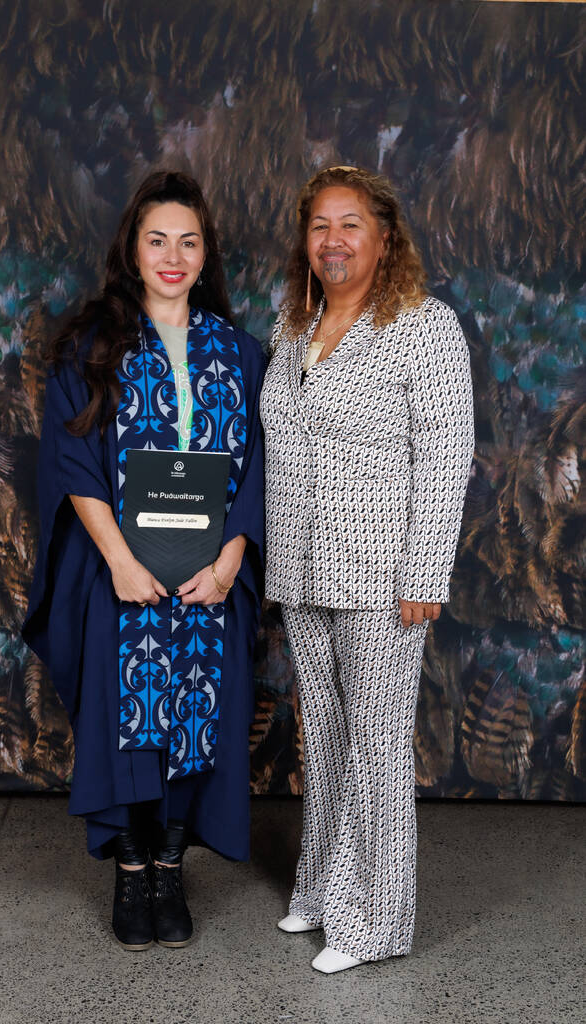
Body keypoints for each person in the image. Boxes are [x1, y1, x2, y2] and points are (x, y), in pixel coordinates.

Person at [22, 171, 265, 950]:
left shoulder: (238, 350)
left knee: (197, 713)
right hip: (120, 570)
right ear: (131, 248)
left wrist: (230, 560)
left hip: (207, 577)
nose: (172, 255)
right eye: (156, 239)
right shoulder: (92, 346)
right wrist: (120, 562)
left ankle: (169, 864)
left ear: (205, 254)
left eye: (187, 242)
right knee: (126, 718)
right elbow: (71, 464)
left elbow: (260, 464)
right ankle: (131, 872)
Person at [260, 165, 474, 974]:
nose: (333, 240)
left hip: (385, 574)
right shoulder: (293, 326)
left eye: (350, 224)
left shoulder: (424, 327)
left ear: (385, 238)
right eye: (319, 225)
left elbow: (447, 457)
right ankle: (319, 890)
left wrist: (424, 571)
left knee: (377, 743)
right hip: (302, 567)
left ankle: (373, 922)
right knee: (328, 734)